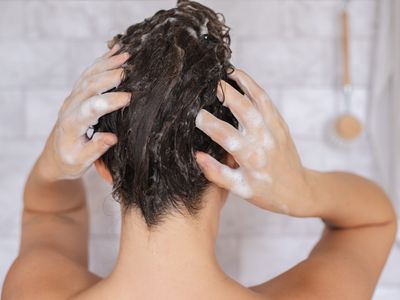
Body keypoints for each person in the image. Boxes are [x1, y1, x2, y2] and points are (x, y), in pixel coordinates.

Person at [2, 1, 397, 299]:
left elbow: (50, 212)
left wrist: (54, 164)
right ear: (233, 161)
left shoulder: (33, 290)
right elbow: (373, 220)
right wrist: (300, 190)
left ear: (101, 165)